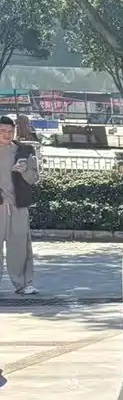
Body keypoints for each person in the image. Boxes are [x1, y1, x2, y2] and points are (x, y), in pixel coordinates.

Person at [0, 114, 40, 295]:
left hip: (18, 206)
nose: (6, 135)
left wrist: (24, 171)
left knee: (21, 247)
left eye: (10, 131)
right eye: (2, 131)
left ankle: (24, 283)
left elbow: (34, 178)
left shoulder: (23, 151)